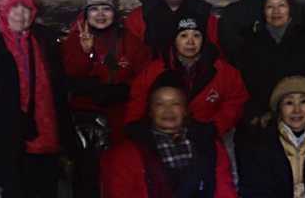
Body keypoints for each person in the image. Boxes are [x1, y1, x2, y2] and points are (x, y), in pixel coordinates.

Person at [0, 0, 74, 198]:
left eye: (27, 9)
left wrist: (67, 142)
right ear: (2, 10)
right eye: (14, 7)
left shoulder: (45, 44)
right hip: (11, 148)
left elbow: (58, 96)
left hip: (48, 145)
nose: (20, 14)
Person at [61, 0, 151, 198]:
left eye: (106, 8)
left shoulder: (130, 42)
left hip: (120, 121)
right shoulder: (75, 39)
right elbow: (67, 74)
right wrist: (85, 53)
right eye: (94, 9)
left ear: (115, 12)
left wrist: (124, 91)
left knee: (117, 175)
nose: (100, 14)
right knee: (86, 178)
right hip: (85, 124)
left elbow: (145, 77)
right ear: (86, 13)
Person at [100, 71, 238, 197]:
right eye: (160, 104)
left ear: (185, 110)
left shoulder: (210, 147)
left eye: (175, 104)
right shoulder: (128, 154)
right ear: (150, 111)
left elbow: (225, 190)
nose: (168, 110)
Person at [124, 17, 248, 138]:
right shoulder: (154, 71)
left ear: (203, 39)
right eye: (184, 36)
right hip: (161, 135)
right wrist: (134, 124)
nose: (190, 42)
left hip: (205, 136)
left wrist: (215, 127)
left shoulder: (223, 71)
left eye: (196, 35)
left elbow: (235, 100)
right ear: (174, 40)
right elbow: (138, 100)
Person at [237, 0, 305, 124]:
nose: (276, 11)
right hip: (265, 121)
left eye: (281, 5)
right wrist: (253, 114)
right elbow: (244, 84)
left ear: (290, 8)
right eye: (270, 7)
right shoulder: (250, 45)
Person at [124, 0, 220, 58]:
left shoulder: (203, 13)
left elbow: (218, 48)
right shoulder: (139, 17)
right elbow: (133, 54)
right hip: (155, 70)